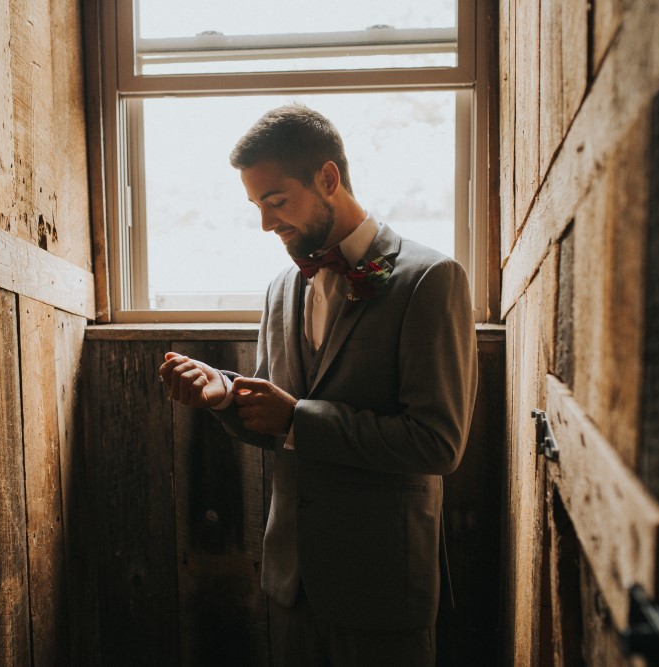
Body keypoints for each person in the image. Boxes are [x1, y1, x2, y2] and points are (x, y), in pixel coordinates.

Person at [159, 104, 477, 666]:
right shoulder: (282, 288)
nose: (265, 223)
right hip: (291, 583)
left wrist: (295, 419)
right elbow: (277, 420)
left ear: (328, 178)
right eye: (256, 206)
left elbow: (438, 442)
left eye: (276, 201)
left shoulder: (431, 280)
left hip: (382, 590)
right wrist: (227, 396)